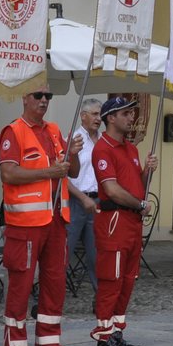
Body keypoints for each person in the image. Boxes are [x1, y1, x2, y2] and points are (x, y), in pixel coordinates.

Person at [0, 87, 81, 346]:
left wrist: (74, 154)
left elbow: (73, 171)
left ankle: (48, 343)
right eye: (38, 95)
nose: (44, 100)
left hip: (57, 219)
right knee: (21, 284)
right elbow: (8, 173)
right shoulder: (13, 131)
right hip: (25, 222)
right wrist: (48, 172)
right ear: (24, 98)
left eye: (49, 96)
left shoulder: (55, 129)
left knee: (55, 283)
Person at [90, 95, 157, 346]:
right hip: (114, 222)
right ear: (111, 118)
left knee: (128, 281)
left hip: (131, 223)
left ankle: (116, 333)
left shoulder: (130, 149)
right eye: (126, 113)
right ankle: (103, 337)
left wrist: (147, 172)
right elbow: (112, 190)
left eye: (131, 113)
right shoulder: (103, 148)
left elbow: (135, 185)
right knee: (111, 280)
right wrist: (140, 204)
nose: (131, 117)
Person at [67, 97, 103, 292]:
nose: (99, 118)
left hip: (98, 202)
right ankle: (49, 299)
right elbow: (63, 176)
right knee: (64, 252)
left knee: (96, 255)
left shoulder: (104, 140)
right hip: (75, 200)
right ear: (83, 116)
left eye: (100, 114)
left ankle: (101, 302)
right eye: (95, 114)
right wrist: (82, 198)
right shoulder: (73, 140)